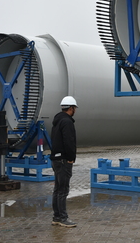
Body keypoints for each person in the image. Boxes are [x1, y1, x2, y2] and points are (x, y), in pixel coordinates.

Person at [50, 96, 79, 228]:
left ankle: (57, 216)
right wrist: (71, 157)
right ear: (71, 108)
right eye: (75, 108)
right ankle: (62, 218)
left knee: (57, 189)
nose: (75, 111)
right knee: (63, 190)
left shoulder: (57, 121)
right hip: (63, 161)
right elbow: (69, 141)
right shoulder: (67, 122)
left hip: (56, 159)